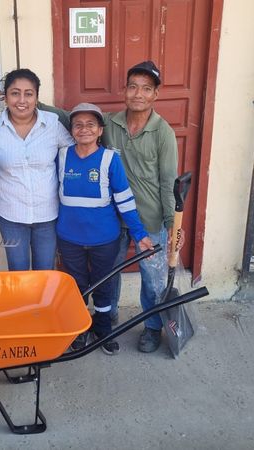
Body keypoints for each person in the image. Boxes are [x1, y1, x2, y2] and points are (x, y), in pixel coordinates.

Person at [41, 61, 178, 353]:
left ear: (155, 94)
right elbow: (71, 117)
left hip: (148, 216)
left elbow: (169, 181)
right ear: (124, 90)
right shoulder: (110, 122)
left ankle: (152, 327)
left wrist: (172, 223)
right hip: (112, 218)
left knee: (153, 279)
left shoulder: (163, 132)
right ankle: (106, 321)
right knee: (108, 276)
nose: (138, 94)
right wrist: (30, 102)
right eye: (133, 87)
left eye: (146, 89)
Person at [57, 103, 153, 356]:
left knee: (104, 284)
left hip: (104, 239)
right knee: (76, 285)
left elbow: (125, 200)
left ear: (100, 130)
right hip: (69, 238)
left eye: (91, 124)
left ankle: (102, 327)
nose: (84, 129)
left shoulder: (110, 159)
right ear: (71, 130)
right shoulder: (62, 156)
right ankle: (79, 328)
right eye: (78, 125)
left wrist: (140, 234)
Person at [0, 68, 73, 271]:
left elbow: (75, 151)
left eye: (28, 94)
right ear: (5, 97)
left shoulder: (52, 124)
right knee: (18, 272)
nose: (22, 100)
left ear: (36, 97)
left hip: (48, 213)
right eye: (15, 93)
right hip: (11, 214)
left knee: (45, 272)